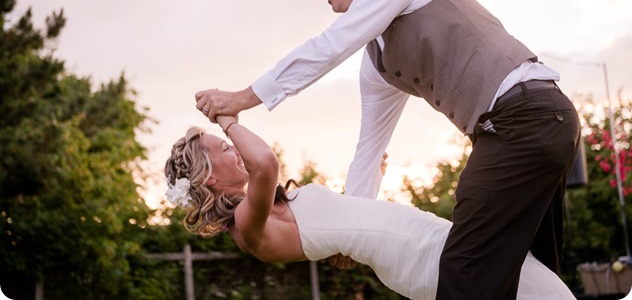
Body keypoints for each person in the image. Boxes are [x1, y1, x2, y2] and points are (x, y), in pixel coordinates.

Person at [194, 0, 581, 298]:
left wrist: (243, 98)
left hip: (526, 116)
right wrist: (347, 230)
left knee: (464, 264)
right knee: (530, 268)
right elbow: (369, 146)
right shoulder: (377, 62)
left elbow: (331, 46)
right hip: (526, 129)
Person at [164, 118, 576, 300]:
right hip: (419, 257)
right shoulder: (244, 226)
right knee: (540, 291)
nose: (232, 145)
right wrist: (227, 117)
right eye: (222, 148)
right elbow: (267, 162)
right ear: (208, 180)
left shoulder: (272, 206)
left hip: (421, 241)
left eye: (228, 140)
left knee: (540, 288)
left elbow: (352, 222)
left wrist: (371, 180)